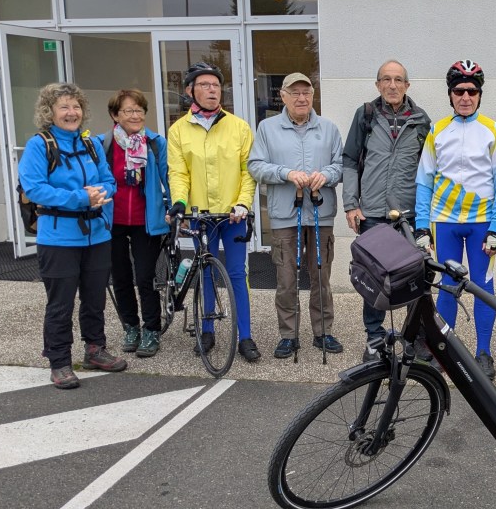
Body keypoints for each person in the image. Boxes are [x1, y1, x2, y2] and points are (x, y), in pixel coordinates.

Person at [18, 83, 126, 388]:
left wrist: (100, 192)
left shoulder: (90, 144)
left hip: (96, 235)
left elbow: (109, 181)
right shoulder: (39, 145)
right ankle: (60, 361)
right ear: (49, 111)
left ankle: (95, 349)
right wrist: (81, 197)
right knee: (60, 304)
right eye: (64, 106)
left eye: (76, 106)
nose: (72, 112)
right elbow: (34, 189)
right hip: (58, 239)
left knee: (95, 299)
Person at [414, 60, 496, 380]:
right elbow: (424, 181)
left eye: (472, 91)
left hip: (482, 221)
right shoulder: (437, 130)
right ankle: (445, 351)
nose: (466, 97)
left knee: (482, 287)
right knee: (447, 287)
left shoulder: (493, 130)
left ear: (480, 95)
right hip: (445, 222)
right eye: (459, 91)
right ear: (450, 95)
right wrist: (421, 225)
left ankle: (483, 352)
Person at [166, 62, 261, 363]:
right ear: (190, 91)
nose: (212, 90)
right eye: (205, 85)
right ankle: (206, 331)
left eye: (216, 85)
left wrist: (243, 203)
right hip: (200, 216)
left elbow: (248, 172)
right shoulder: (178, 130)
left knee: (237, 274)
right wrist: (179, 202)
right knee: (205, 271)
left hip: (233, 216)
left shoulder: (239, 127)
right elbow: (178, 173)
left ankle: (245, 336)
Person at [249, 72, 344, 358]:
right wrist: (286, 173)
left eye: (306, 93)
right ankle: (289, 335)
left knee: (321, 278)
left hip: (320, 213)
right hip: (284, 215)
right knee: (286, 280)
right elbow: (255, 166)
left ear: (313, 96)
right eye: (295, 93)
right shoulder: (267, 128)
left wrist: (326, 175)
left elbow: (341, 165)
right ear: (283, 96)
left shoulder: (328, 128)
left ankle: (323, 331)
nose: (301, 98)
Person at [341, 60, 431, 360]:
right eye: (386, 79)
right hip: (372, 212)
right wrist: (351, 204)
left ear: (407, 85)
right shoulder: (366, 115)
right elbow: (350, 160)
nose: (392, 85)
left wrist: (426, 215)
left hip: (408, 214)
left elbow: (427, 168)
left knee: (415, 278)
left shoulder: (421, 120)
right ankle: (375, 338)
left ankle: (415, 336)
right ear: (378, 84)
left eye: (398, 80)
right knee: (374, 279)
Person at [97, 90, 171, 358]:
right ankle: (130, 326)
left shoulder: (155, 143)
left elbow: (168, 177)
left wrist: (174, 206)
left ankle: (151, 329)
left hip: (145, 221)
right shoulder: (102, 144)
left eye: (139, 110)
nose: (135, 115)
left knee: (146, 277)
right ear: (115, 115)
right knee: (121, 277)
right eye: (128, 111)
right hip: (112, 221)